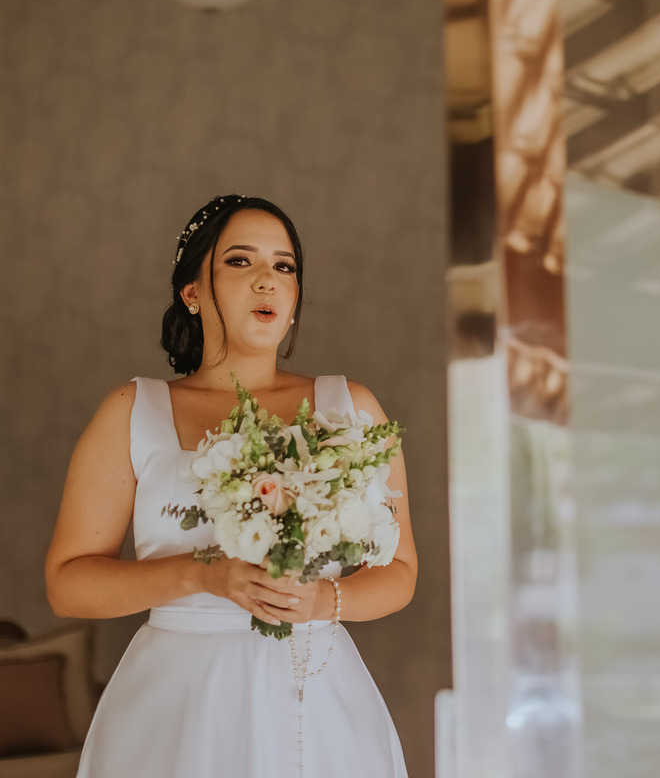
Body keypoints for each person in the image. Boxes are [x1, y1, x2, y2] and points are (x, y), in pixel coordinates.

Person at [44, 194, 417, 777]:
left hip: (314, 699)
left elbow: (401, 572)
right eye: (240, 261)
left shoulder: (350, 409)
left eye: (284, 266)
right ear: (192, 292)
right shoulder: (132, 410)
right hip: (177, 703)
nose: (267, 280)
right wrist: (202, 575)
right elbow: (68, 584)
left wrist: (324, 601)